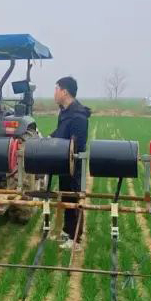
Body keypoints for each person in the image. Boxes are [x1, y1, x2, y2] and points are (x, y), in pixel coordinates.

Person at [50, 76, 91, 249]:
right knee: (65, 195)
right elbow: (60, 132)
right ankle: (67, 232)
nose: (54, 93)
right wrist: (48, 139)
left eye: (56, 89)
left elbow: (78, 144)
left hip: (73, 164)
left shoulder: (78, 116)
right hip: (63, 162)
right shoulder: (65, 111)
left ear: (64, 92)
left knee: (73, 197)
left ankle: (76, 240)